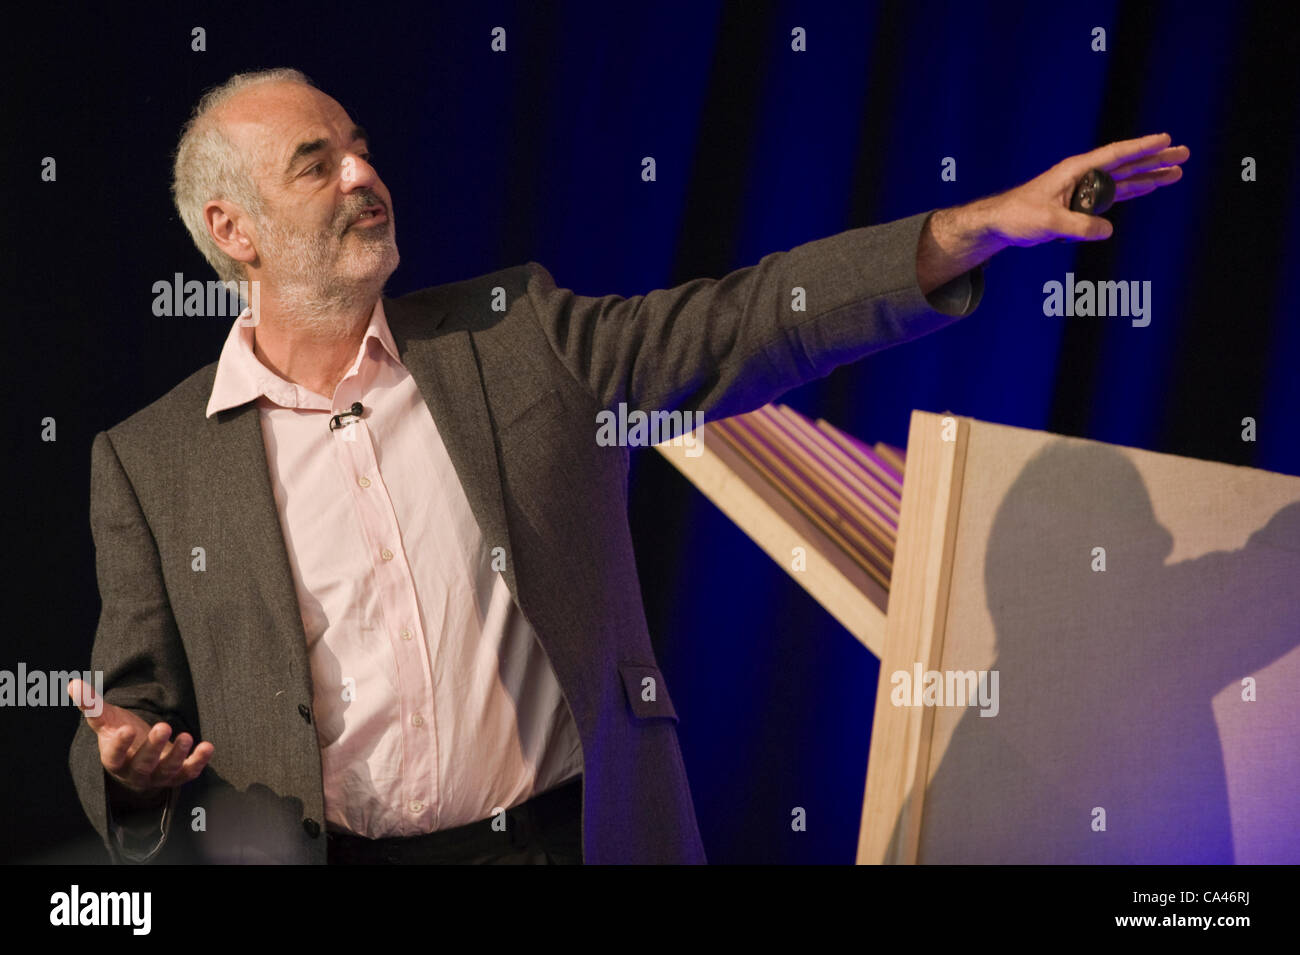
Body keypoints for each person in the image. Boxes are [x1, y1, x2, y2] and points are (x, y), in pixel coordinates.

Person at [66, 68, 1188, 864]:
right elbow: (128, 706)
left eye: (362, 146)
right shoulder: (151, 461)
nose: (366, 173)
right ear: (236, 230)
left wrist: (974, 229)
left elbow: (747, 321)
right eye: (319, 164)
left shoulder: (517, 339)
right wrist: (122, 763)